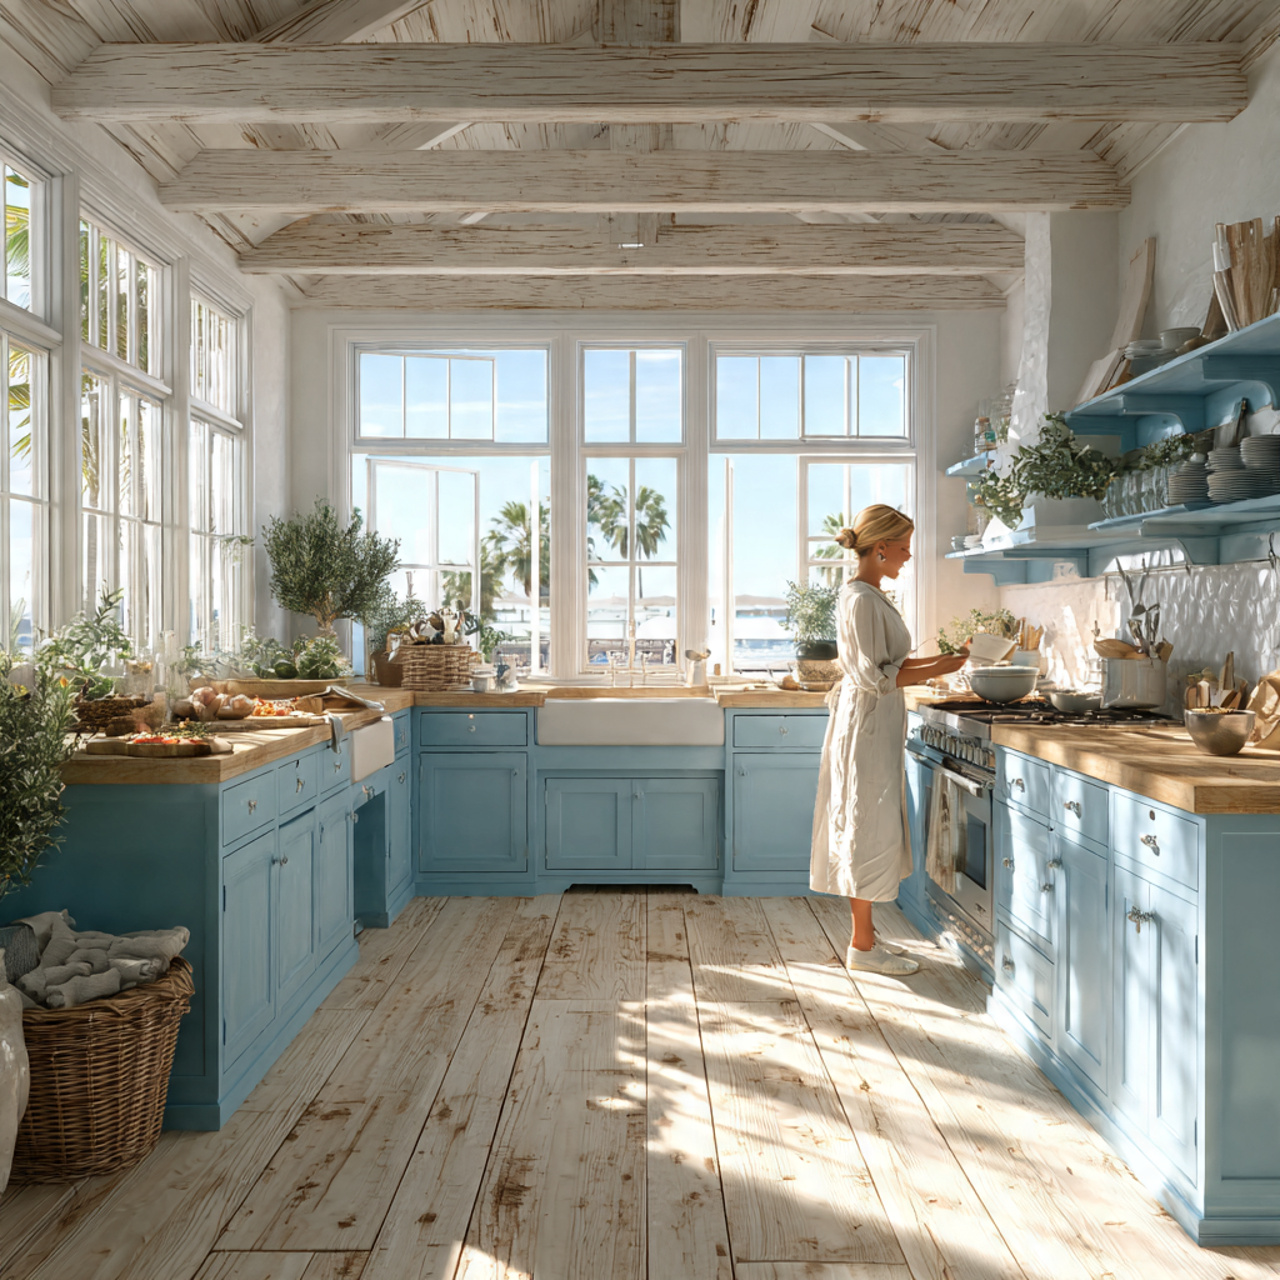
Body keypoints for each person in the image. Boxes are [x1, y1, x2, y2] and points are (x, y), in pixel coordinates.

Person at [810, 505, 968, 976]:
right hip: (866, 726)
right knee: (866, 828)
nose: (909, 555)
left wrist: (944, 661)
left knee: (873, 825)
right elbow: (874, 676)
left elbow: (889, 664)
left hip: (876, 724)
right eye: (903, 547)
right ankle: (862, 947)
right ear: (880, 548)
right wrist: (938, 666)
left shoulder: (872, 595)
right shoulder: (860, 599)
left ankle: (868, 939)